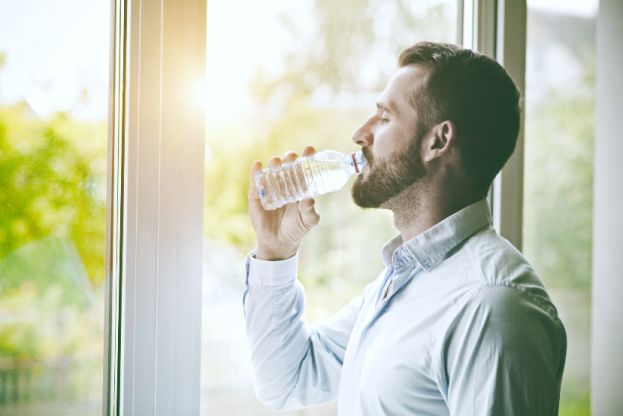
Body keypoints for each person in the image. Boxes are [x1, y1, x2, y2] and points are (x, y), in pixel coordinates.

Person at [244, 41, 567, 416]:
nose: (360, 134)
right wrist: (274, 251)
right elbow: (287, 382)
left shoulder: (492, 307)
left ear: (438, 141)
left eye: (383, 118)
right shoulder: (400, 282)